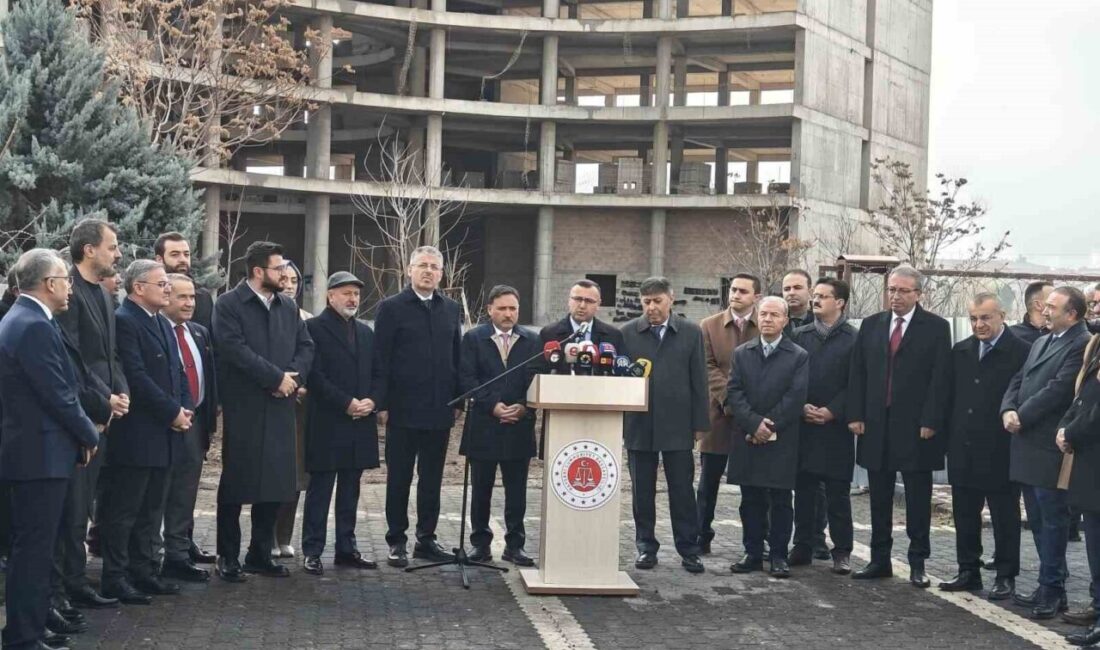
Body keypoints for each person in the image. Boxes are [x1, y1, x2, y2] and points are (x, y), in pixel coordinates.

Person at [0, 249, 100, 650]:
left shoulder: (26, 319)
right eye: (65, 280)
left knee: (36, 548)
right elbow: (58, 392)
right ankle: (23, 636)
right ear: (49, 283)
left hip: (38, 452)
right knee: (33, 550)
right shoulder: (32, 325)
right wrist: (89, 434)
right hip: (37, 456)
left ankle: (33, 627)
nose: (70, 288)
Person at [213, 241, 314, 582]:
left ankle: (259, 554)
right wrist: (275, 378)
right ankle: (228, 556)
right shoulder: (229, 304)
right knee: (236, 483)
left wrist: (292, 379)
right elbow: (233, 349)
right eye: (278, 268)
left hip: (281, 405)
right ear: (258, 271)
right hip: (246, 406)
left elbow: (306, 346)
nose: (285, 274)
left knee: (275, 482)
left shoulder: (288, 306)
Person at [847, 266, 951, 588]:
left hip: (916, 429)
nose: (896, 296)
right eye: (891, 289)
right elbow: (858, 372)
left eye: (903, 291)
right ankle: (880, 560)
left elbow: (940, 379)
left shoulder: (936, 327)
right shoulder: (871, 324)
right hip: (876, 426)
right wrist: (855, 414)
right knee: (878, 498)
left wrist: (931, 420)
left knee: (918, 499)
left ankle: (918, 562)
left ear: (918, 294)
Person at [99, 260, 194, 605]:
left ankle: (144, 571)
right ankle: (115, 577)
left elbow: (177, 371)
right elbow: (136, 378)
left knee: (151, 511)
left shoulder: (160, 322)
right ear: (138, 288)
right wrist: (172, 412)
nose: (168, 289)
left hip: (165, 433)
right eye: (162, 284)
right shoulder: (125, 321)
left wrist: (185, 407)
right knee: (125, 511)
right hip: (138, 435)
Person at [1002, 286, 1091, 619]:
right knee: (1037, 520)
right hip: (1026, 443)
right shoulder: (1043, 341)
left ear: (1072, 314)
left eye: (1053, 307)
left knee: (1053, 521)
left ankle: (1053, 589)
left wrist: (1021, 416)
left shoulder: (1081, 344)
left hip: (1050, 446)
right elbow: (1018, 379)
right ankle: (1049, 585)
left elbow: (1060, 390)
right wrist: (1007, 409)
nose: (1044, 310)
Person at [54, 218, 130, 610]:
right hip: (82, 418)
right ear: (89, 250)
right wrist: (104, 400)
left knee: (86, 509)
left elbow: (110, 355)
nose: (118, 254)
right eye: (112, 246)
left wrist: (122, 392)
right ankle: (63, 589)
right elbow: (73, 361)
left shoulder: (102, 293)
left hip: (107, 415)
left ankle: (76, 582)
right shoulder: (68, 293)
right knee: (71, 512)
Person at [373, 246, 462, 568]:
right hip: (402, 410)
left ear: (441, 274)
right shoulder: (391, 308)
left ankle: (427, 539)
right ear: (409, 270)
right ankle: (396, 540)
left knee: (432, 480)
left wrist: (458, 399)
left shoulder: (450, 309)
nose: (428, 271)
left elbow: (456, 356)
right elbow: (380, 358)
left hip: (439, 409)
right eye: (422, 265)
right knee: (399, 478)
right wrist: (381, 403)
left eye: (434, 267)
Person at [938, 293, 1029, 600]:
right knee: (964, 513)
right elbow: (949, 396)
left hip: (1001, 448)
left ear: (1002, 315)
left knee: (1004, 516)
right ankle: (968, 570)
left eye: (986, 318)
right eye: (974, 318)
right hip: (963, 447)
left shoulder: (1021, 351)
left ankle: (1005, 575)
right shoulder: (961, 350)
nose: (979, 324)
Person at [620, 277, 709, 574]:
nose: (652, 307)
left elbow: (699, 380)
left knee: (682, 491)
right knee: (642, 492)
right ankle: (646, 547)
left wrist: (700, 423)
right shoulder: (627, 333)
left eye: (657, 301)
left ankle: (689, 549)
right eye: (646, 302)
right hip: (639, 424)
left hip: (678, 424)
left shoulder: (691, 333)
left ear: (671, 299)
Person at [301, 272, 380, 575]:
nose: (352, 299)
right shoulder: (313, 328)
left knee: (351, 490)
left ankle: (346, 549)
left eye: (356, 294)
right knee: (320, 490)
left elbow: (378, 373)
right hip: (328, 421)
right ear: (330, 296)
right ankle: (312, 550)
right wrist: (346, 403)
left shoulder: (365, 332)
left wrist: (372, 401)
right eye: (346, 293)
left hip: (360, 422)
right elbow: (314, 375)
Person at [726, 296, 809, 578]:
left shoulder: (798, 355)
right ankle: (752, 553)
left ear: (785, 320)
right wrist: (753, 424)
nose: (768, 319)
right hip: (748, 437)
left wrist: (768, 427)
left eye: (774, 315)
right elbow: (734, 392)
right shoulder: (742, 353)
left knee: (781, 500)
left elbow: (795, 397)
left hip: (782, 440)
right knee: (750, 500)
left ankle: (778, 555)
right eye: (763, 314)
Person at [459, 285, 538, 567]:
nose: (508, 314)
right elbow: (467, 378)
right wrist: (492, 405)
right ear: (490, 309)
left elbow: (537, 378)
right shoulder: (473, 338)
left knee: (517, 492)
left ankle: (515, 546)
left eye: (512, 308)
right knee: (481, 489)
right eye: (502, 308)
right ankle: (480, 544)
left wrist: (524, 406)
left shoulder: (532, 340)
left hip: (519, 426)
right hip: (483, 425)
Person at [789, 279, 857, 574]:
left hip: (836, 428)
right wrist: (801, 405)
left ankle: (842, 551)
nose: (815, 300)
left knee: (837, 493)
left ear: (839, 302)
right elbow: (790, 376)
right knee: (803, 490)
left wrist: (833, 411)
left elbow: (857, 382)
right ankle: (802, 546)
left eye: (823, 296)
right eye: (814, 295)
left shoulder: (854, 339)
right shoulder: (799, 335)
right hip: (804, 425)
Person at [157, 274, 218, 583]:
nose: (189, 303)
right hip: (162, 425)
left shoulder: (199, 332)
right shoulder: (157, 331)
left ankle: (178, 555)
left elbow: (209, 379)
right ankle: (149, 557)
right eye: (182, 297)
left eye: (192, 297)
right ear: (165, 296)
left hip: (195, 424)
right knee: (157, 494)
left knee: (185, 493)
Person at [696, 274, 760, 555]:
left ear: (756, 297)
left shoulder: (764, 324)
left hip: (753, 417)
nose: (735, 295)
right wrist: (730, 400)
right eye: (733, 289)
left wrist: (746, 408)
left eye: (743, 291)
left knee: (753, 487)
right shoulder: (708, 326)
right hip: (718, 417)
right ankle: (700, 537)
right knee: (707, 484)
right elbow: (707, 366)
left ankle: (755, 542)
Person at [782, 269, 828, 562]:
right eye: (786, 288)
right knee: (780, 482)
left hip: (815, 414)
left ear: (810, 291)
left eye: (797, 287)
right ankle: (780, 539)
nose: (791, 293)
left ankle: (816, 538)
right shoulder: (775, 319)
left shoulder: (821, 323)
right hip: (784, 413)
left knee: (815, 482)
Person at [1057, 332, 1100, 647]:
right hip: (1091, 470)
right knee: (1095, 547)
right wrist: (1065, 427)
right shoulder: (1095, 349)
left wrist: (1070, 432)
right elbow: (1083, 399)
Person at [272, 260, 311, 560]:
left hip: (300, 408)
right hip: (272, 400)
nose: (288, 286)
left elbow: (311, 358)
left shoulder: (307, 319)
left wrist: (300, 384)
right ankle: (268, 537)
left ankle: (284, 536)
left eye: (294, 281)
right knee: (272, 472)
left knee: (296, 474)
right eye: (283, 279)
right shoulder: (266, 316)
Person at [538, 279, 626, 359]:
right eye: (578, 299)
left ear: (598, 304)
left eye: (589, 301)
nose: (582, 306)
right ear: (569, 301)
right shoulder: (548, 334)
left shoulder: (613, 336)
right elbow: (536, 369)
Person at [154, 232, 214, 332]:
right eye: (175, 255)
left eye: (186, 254)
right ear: (159, 260)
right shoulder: (149, 297)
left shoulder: (203, 297)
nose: (183, 260)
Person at [1011, 280, 1053, 345]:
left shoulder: (1061, 333)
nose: (1059, 303)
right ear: (1038, 305)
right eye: (1052, 299)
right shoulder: (1012, 335)